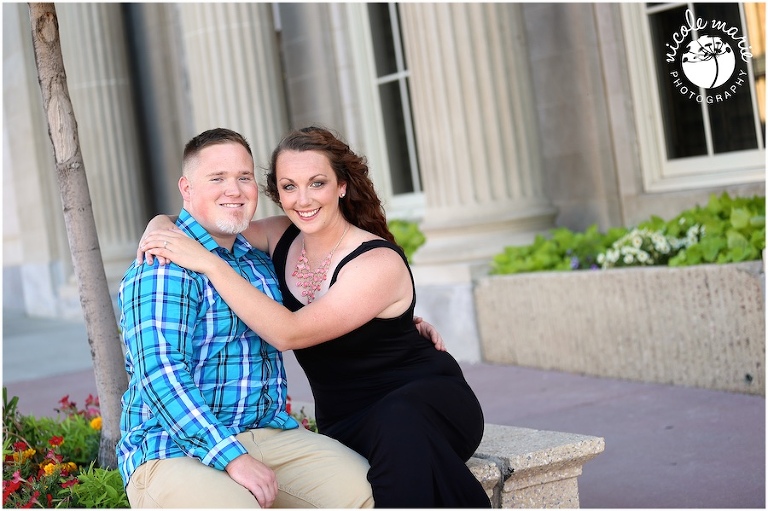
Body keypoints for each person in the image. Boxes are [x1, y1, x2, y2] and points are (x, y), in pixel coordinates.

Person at [139, 126, 491, 508]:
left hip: (423, 402)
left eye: (317, 183)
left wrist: (208, 265)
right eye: (289, 187)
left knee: (399, 428)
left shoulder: (377, 261)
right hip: (346, 420)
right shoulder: (279, 237)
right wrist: (157, 225)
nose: (303, 199)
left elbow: (288, 333)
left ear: (341, 186)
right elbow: (205, 225)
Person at [117, 127, 376, 508]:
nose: (234, 190)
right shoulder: (162, 266)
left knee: (365, 490)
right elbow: (161, 373)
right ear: (186, 189)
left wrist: (398, 324)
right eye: (217, 178)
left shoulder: (257, 259)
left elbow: (323, 299)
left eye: (243, 177)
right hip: (172, 447)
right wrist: (231, 457)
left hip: (266, 435)